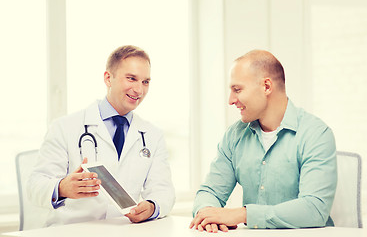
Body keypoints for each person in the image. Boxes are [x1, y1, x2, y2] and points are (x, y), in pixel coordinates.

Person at [189, 50, 337, 232]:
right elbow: (210, 191)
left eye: (237, 90)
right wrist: (207, 214)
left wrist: (242, 214)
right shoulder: (235, 135)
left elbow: (315, 209)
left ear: (266, 86)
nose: (231, 100)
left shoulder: (315, 134)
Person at [28, 45, 175, 226]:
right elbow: (34, 186)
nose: (139, 90)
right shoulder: (64, 127)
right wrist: (62, 188)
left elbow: (164, 190)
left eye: (145, 82)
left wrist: (152, 207)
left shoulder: (153, 135)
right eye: (131, 78)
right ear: (108, 78)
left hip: (123, 230)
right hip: (71, 231)